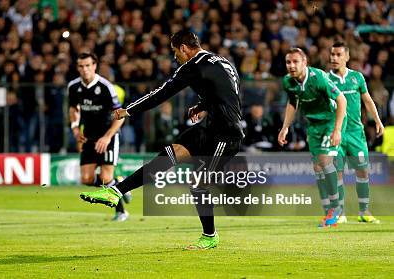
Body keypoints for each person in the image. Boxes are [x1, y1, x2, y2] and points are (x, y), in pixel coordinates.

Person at [79, 30, 244, 249]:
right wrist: (203, 105)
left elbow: (160, 93)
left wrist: (127, 110)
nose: (175, 57)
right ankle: (116, 191)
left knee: (198, 184)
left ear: (184, 48)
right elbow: (228, 90)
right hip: (211, 127)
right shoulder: (222, 61)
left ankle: (210, 236)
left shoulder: (192, 67)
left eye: (175, 52)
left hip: (226, 135)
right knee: (170, 153)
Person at [277, 48, 347, 228]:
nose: (291, 66)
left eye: (295, 62)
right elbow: (293, 102)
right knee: (317, 166)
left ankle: (336, 208)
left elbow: (341, 100)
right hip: (314, 125)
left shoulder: (319, 78)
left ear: (304, 62)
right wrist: (285, 127)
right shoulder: (288, 81)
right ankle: (331, 209)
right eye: (288, 62)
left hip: (331, 121)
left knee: (325, 161)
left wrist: (337, 130)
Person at [68, 52, 130, 221]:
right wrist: (74, 128)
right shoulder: (73, 87)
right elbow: (73, 108)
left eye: (88, 65)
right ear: (77, 68)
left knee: (105, 178)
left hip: (107, 136)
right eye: (81, 66)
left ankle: (121, 212)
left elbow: (120, 115)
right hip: (88, 136)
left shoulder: (105, 87)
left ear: (94, 66)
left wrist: (108, 137)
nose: (85, 69)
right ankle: (119, 184)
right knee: (86, 179)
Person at [328, 42, 383, 224]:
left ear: (347, 57)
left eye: (338, 54)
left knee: (362, 171)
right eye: (332, 54)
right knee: (338, 172)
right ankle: (339, 212)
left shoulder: (357, 77)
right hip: (336, 132)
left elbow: (367, 101)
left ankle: (364, 211)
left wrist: (377, 120)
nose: (334, 58)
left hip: (355, 132)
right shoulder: (325, 79)